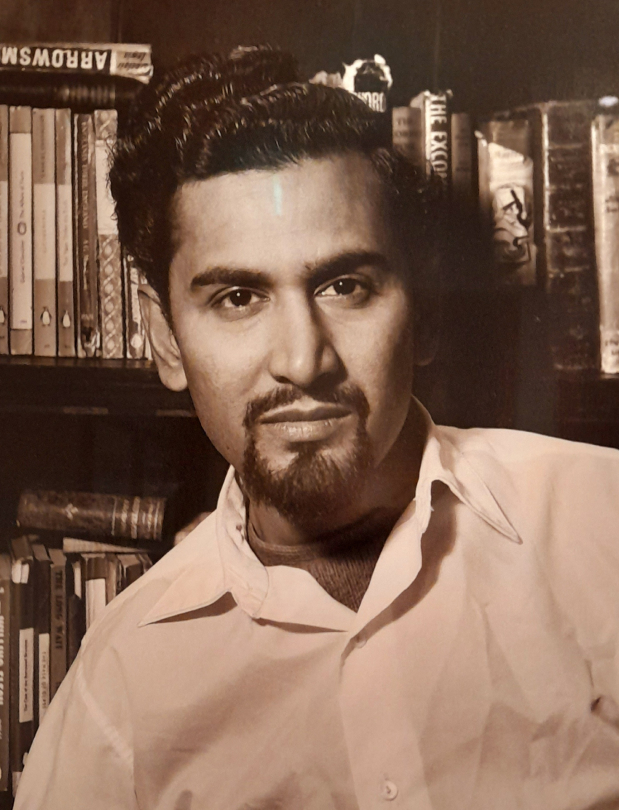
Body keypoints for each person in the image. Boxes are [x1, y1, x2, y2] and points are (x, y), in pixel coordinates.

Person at [15, 46, 619, 810]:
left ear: (422, 312)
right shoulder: (119, 693)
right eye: (238, 297)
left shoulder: (605, 523)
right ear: (164, 337)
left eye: (345, 285)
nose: (302, 360)